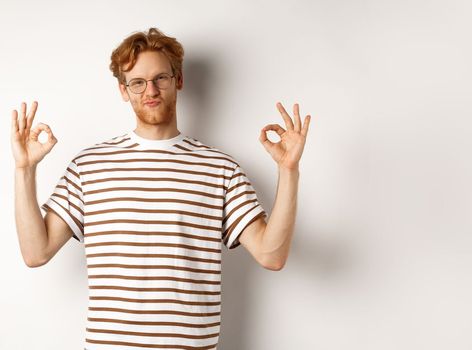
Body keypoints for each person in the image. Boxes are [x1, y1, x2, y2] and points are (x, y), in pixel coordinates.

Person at [11, 27, 311, 349]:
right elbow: (35, 252)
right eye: (137, 82)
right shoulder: (89, 166)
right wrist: (25, 169)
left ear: (178, 80)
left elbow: (272, 255)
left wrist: (288, 170)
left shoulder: (220, 168)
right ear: (123, 90)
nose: (150, 90)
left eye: (160, 78)